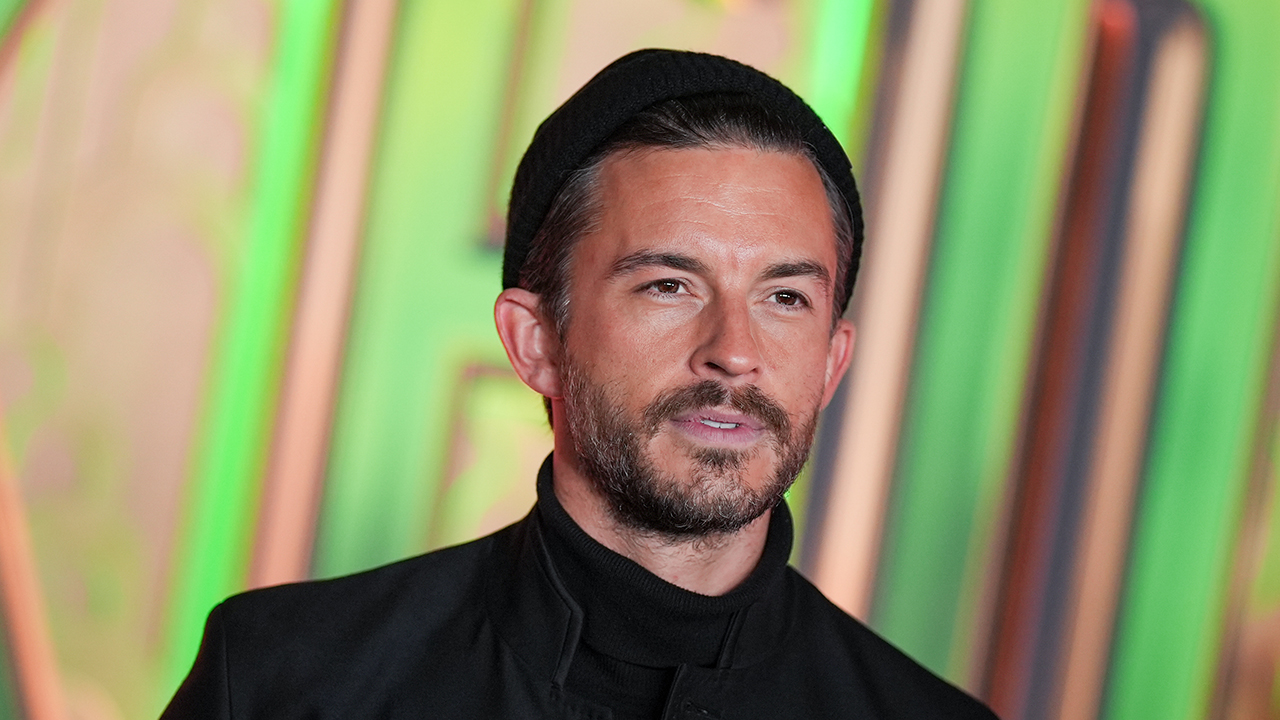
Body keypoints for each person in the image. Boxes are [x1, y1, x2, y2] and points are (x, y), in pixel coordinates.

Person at [162, 49, 998, 719]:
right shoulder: (283, 681)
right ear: (537, 343)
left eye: (784, 298)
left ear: (833, 362)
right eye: (669, 285)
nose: (734, 352)